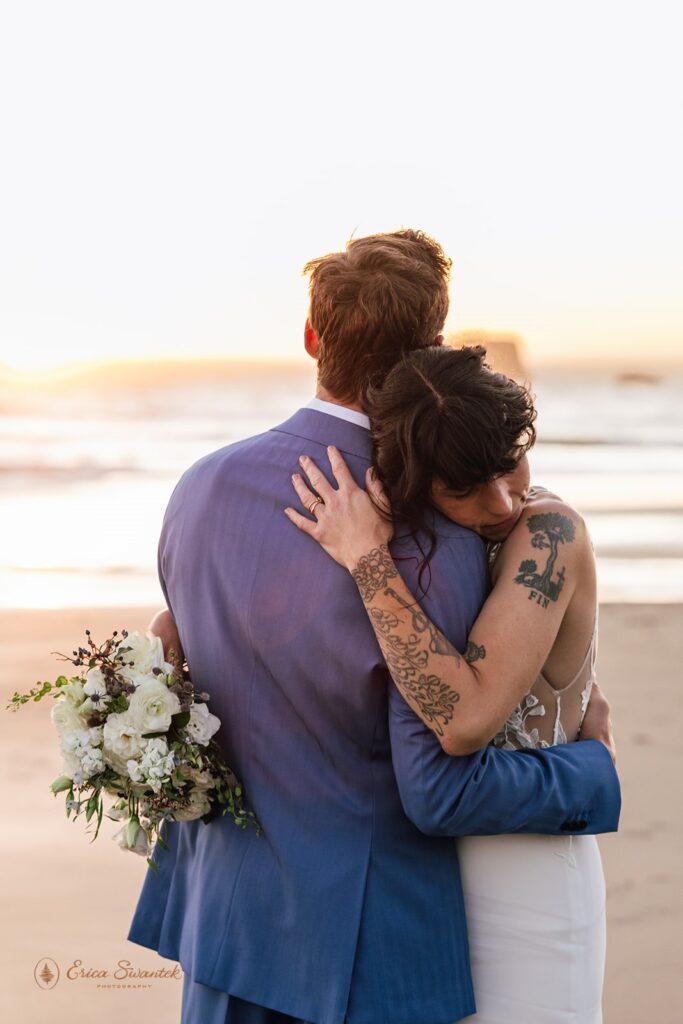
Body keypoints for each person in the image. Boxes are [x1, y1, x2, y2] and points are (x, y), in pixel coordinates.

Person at [128, 230, 620, 1024]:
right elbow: (439, 786)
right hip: (362, 950)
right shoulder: (429, 533)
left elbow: (180, 651)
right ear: (430, 350)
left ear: (311, 338)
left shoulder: (199, 489)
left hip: (222, 924)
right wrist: (591, 772)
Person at [285, 343, 609, 1022]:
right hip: (428, 886)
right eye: (462, 488)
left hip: (530, 873)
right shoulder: (432, 539)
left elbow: (463, 722)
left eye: (507, 467)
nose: (499, 503)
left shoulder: (547, 532)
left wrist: (367, 557)